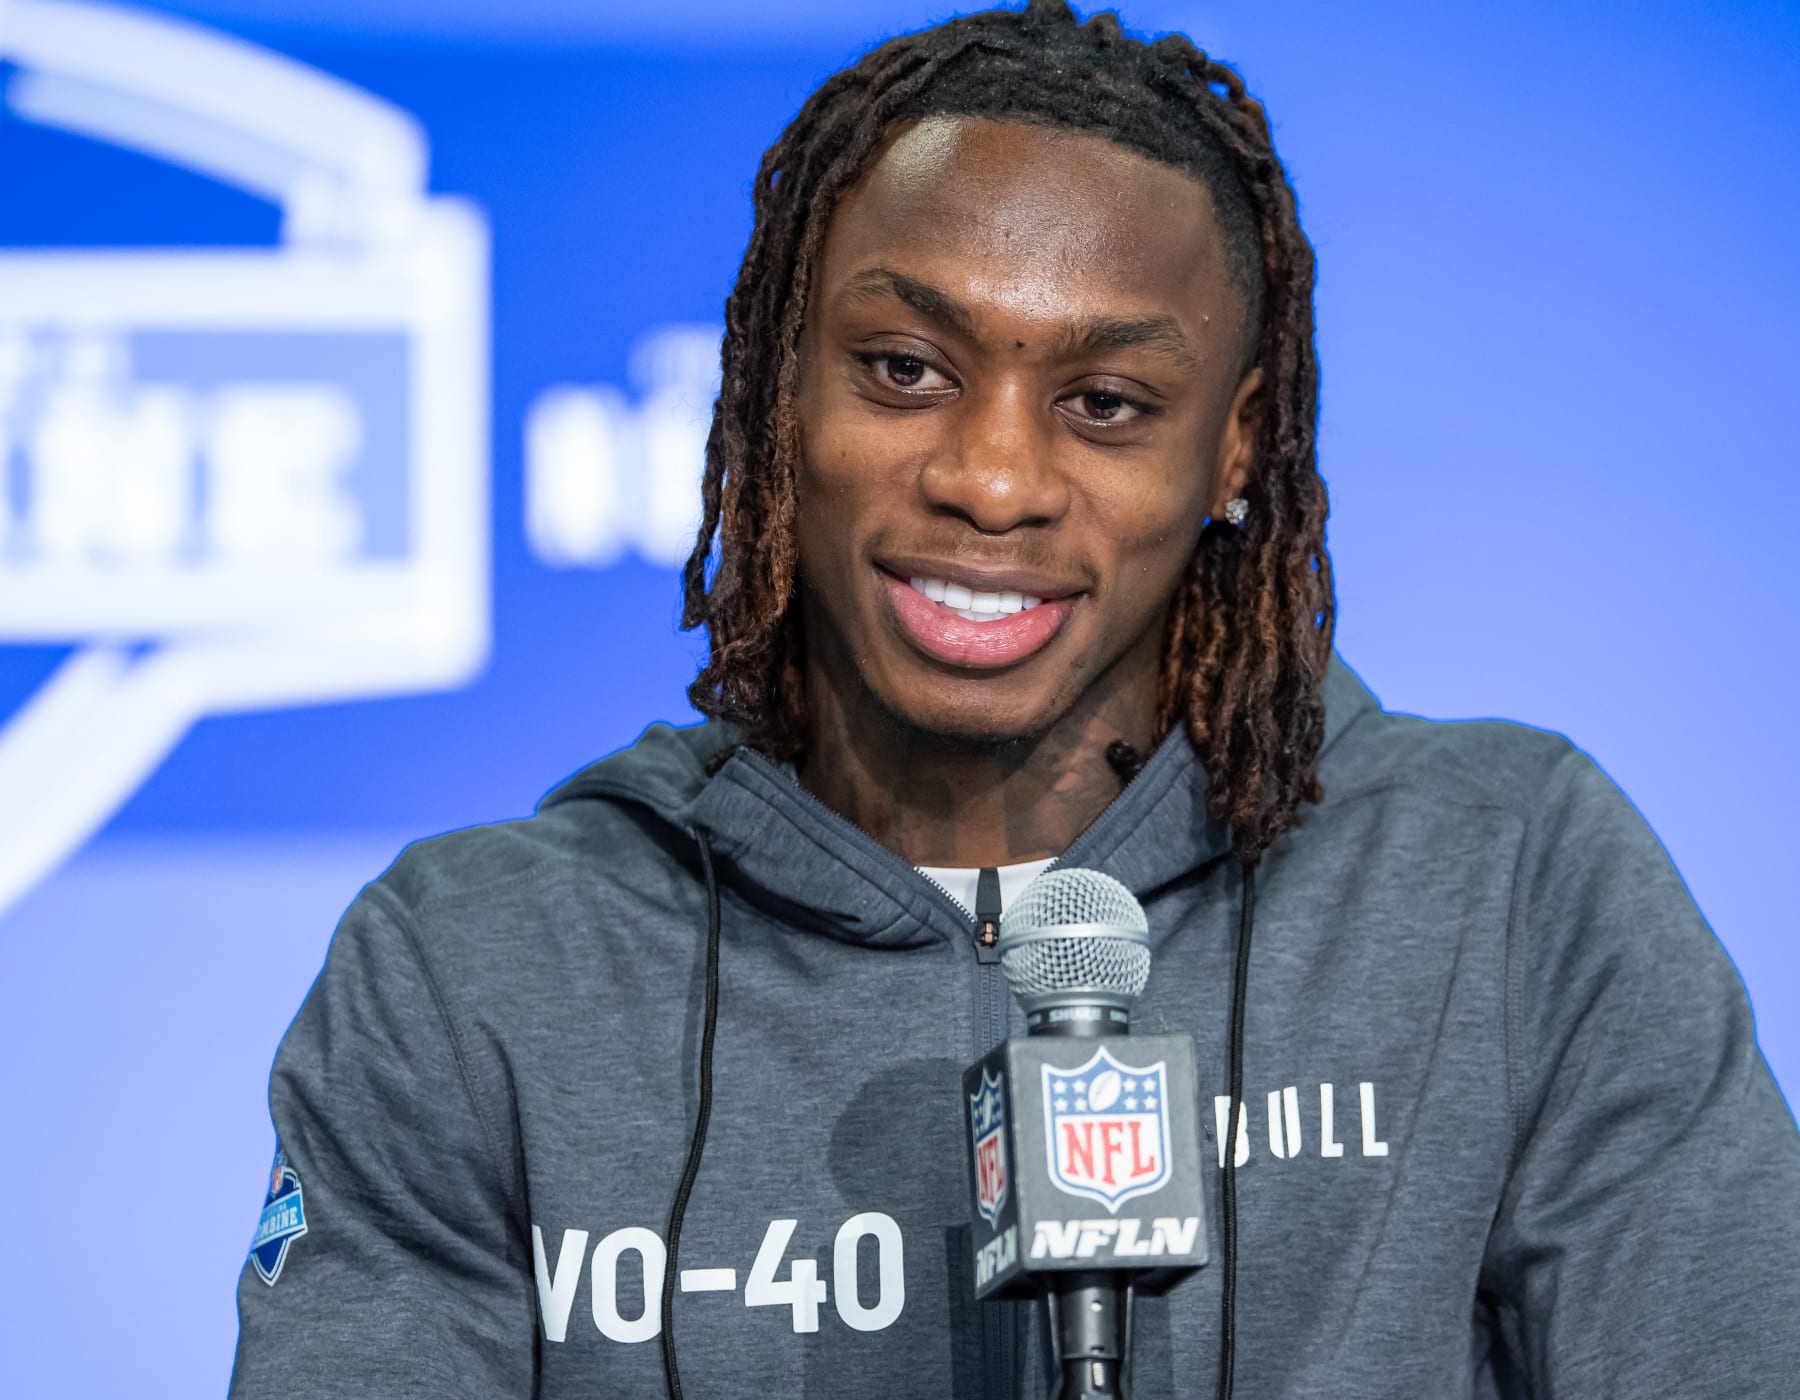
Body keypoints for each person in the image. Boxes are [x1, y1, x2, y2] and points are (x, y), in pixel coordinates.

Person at [228, 3, 1800, 1397]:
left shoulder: (1510, 887)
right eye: (905, 369)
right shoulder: (473, 969)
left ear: (1235, 448)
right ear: (784, 380)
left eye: (1106, 404)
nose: (991, 478)